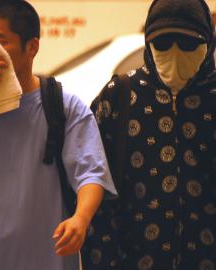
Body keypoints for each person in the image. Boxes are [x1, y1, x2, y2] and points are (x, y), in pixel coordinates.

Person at [0, 1, 117, 269]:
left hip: (47, 260)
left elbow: (91, 173)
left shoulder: (63, 106)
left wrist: (80, 220)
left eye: (0, 43)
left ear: (32, 47)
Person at [82, 0, 216, 269]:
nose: (175, 53)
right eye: (163, 43)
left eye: (188, 44)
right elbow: (92, 182)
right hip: (130, 258)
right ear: (148, 43)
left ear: (208, 43)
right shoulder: (119, 97)